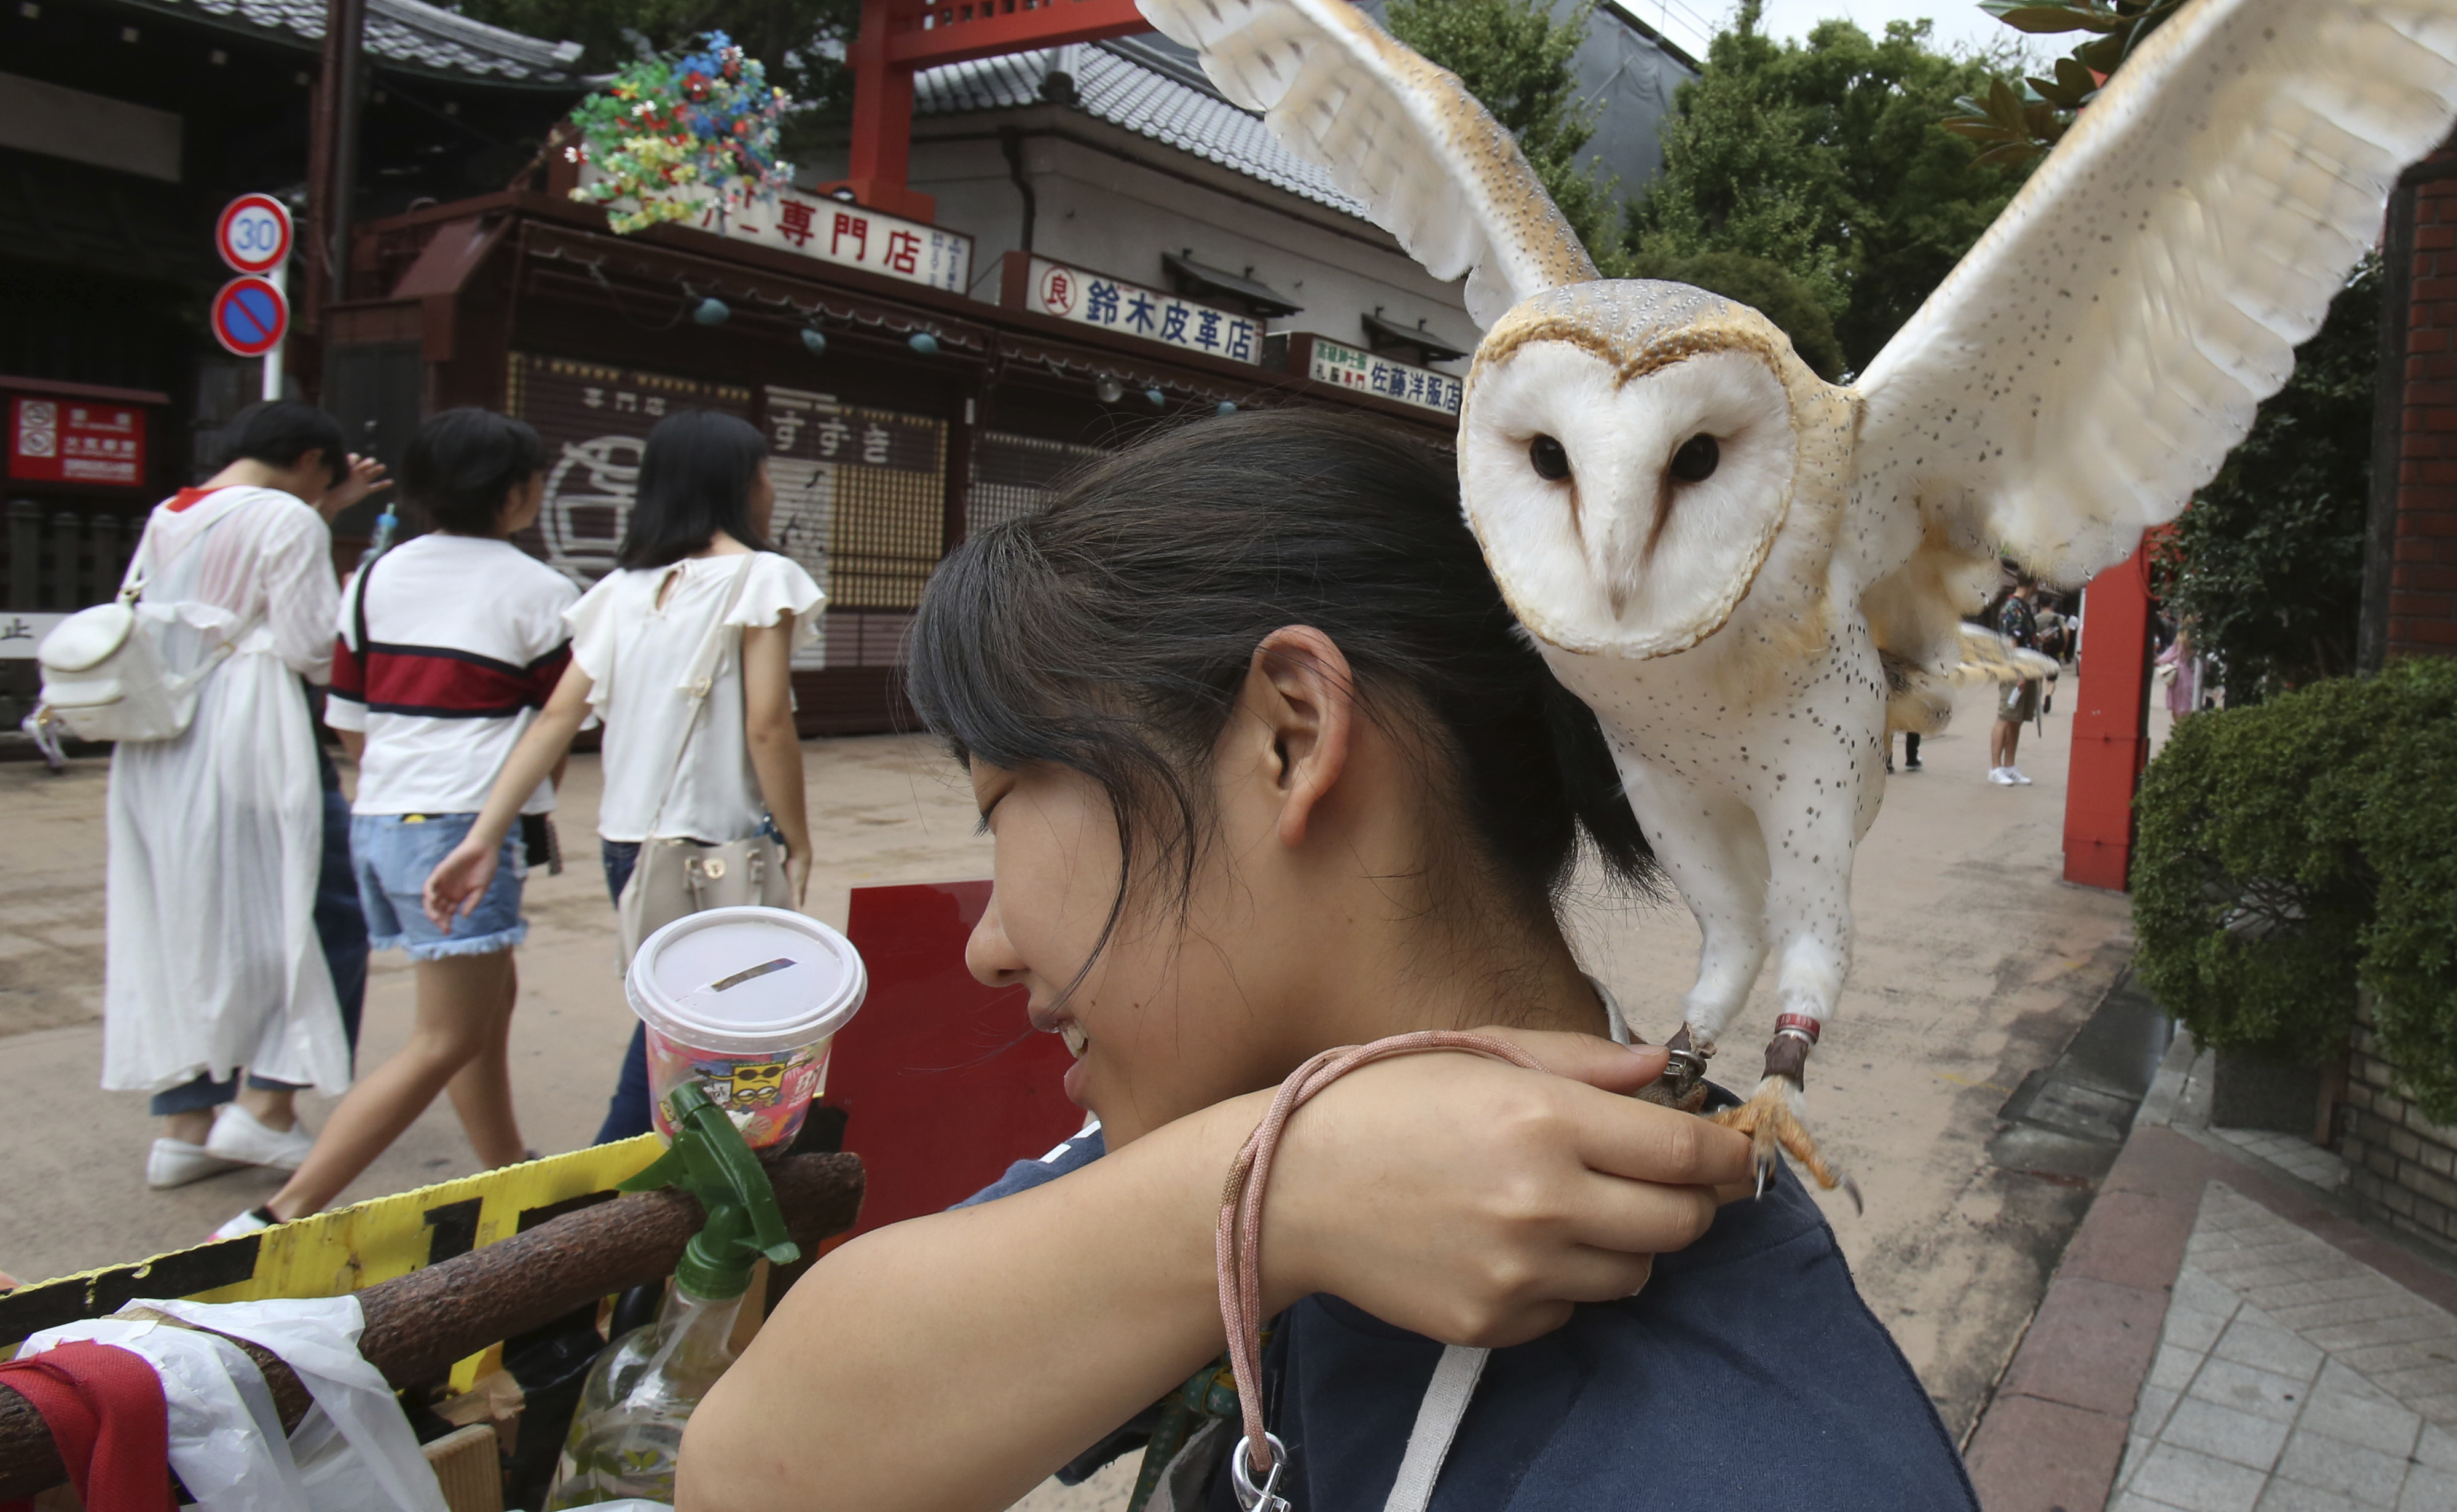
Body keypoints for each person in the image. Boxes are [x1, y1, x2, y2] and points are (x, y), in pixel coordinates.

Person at [679, 411, 1974, 1512]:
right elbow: (746, 1466)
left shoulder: (1753, 1464)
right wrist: (1277, 1191)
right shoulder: (1268, 1124)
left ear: (1290, 736)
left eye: (1007, 791)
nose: (987, 943)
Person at [211, 410, 576, 1237]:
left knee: (489, 999)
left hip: (379, 814)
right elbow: (557, 730)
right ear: (516, 490)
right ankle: (280, 1210)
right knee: (444, 1036)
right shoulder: (542, 592)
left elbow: (349, 717)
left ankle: (509, 1171)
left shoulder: (374, 579)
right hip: (459, 825)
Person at [425, 408, 821, 1144]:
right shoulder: (762, 577)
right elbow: (767, 724)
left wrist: (484, 837)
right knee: (691, 1037)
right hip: (718, 848)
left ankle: (643, 1188)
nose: (769, 486)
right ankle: (617, 1190)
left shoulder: (621, 589)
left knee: (677, 1022)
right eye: (763, 471)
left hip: (631, 850)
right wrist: (797, 838)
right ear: (734, 483)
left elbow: (553, 721)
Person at [115, 402, 387, 1188]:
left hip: (164, 737)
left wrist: (321, 510)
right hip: (252, 738)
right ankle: (267, 1108)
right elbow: (310, 646)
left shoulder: (172, 511)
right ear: (312, 460)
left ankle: (185, 1121)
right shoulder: (287, 520)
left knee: (189, 919)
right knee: (321, 907)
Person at [1989, 574, 2042, 786]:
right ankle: (1995, 768)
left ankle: (2010, 765)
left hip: (2027, 670)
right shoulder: (2012, 608)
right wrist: (2019, 673)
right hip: (2014, 671)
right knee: (2005, 716)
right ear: (2034, 583)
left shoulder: (2024, 607)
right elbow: (2010, 642)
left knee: (2017, 720)